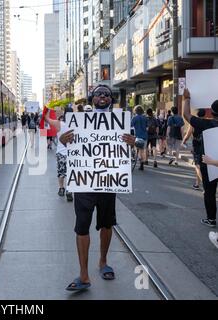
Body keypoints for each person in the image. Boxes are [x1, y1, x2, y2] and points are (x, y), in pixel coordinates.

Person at [59, 85, 136, 291]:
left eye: (107, 95)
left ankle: (103, 261)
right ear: (92, 98)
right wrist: (62, 139)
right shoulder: (79, 120)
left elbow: (132, 146)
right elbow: (65, 145)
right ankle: (83, 275)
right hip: (84, 182)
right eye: (99, 94)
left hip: (108, 181)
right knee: (82, 226)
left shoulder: (120, 121)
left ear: (111, 100)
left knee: (107, 224)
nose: (103, 96)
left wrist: (132, 142)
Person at [182, 88, 218, 228]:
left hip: (207, 163)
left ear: (212, 112)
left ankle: (211, 219)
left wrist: (187, 98)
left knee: (209, 192)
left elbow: (186, 114)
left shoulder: (205, 124)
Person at [44, 109, 74, 202]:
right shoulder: (78, 124)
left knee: (61, 172)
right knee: (71, 172)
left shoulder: (58, 123)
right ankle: (69, 190)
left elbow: (46, 119)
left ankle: (61, 188)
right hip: (73, 153)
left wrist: (48, 110)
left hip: (61, 153)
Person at [182, 109, 206, 190]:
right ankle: (197, 183)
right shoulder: (207, 123)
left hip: (196, 146)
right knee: (201, 165)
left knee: (197, 165)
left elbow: (188, 134)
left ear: (197, 114)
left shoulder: (194, 123)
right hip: (205, 146)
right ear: (205, 114)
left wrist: (184, 141)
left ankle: (205, 186)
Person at [131, 105, 148, 170]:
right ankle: (142, 163)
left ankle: (139, 158)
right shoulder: (145, 118)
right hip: (144, 136)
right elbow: (147, 127)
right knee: (143, 149)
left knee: (136, 148)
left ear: (135, 111)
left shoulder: (134, 118)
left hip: (137, 136)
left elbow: (131, 125)